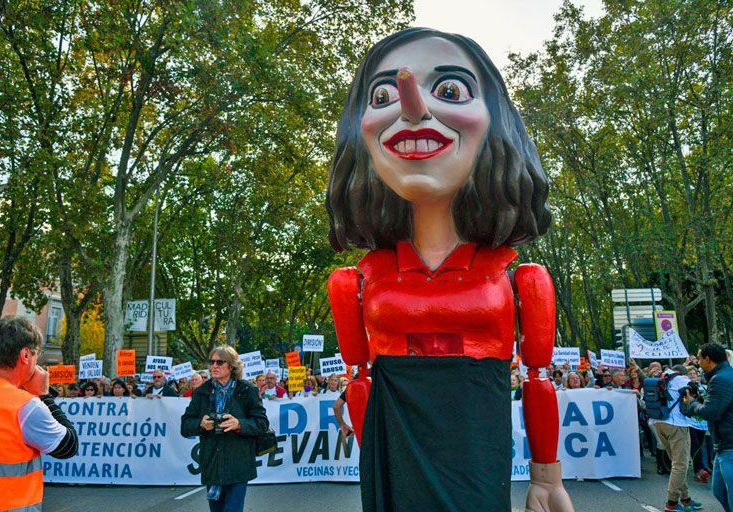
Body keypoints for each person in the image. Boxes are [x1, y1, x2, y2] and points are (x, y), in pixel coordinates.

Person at [325, 27, 572, 511]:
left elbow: (538, 376)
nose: (412, 107)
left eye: (450, 90)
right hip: (394, 453)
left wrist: (546, 477)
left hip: (478, 450)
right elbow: (359, 376)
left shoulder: (519, 278)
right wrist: (372, 462)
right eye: (383, 95)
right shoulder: (356, 281)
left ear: (495, 122)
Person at [0, 316, 78, 511]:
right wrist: (44, 396)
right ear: (25, 355)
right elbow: (68, 446)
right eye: (36, 355)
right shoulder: (26, 406)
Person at [181, 345, 268, 512]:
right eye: (212, 362)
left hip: (238, 463)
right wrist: (200, 424)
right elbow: (185, 425)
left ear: (232, 366)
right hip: (212, 464)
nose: (214, 366)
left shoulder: (248, 390)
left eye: (219, 362)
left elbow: (261, 424)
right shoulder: (201, 392)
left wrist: (239, 424)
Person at [682, 343, 733, 511]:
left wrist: (691, 403)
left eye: (699, 358)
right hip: (723, 446)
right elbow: (719, 406)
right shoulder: (723, 375)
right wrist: (701, 401)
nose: (698, 363)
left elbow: (711, 412)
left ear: (708, 359)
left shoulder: (720, 379)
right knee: (718, 490)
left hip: (729, 446)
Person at [650, 365, 702, 511]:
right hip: (676, 424)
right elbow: (694, 397)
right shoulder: (682, 380)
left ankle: (685, 499)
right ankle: (671, 503)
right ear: (683, 373)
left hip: (659, 421)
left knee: (676, 463)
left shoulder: (661, 378)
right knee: (681, 464)